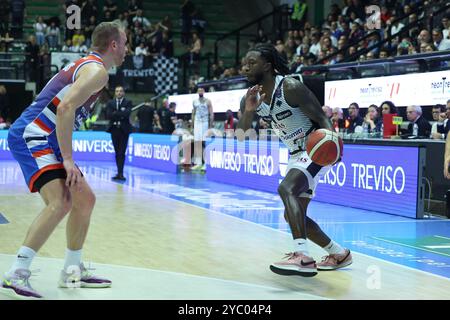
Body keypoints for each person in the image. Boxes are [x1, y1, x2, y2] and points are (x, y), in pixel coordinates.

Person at [2, 21, 127, 299]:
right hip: (33, 133)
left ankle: (72, 271)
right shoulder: (97, 72)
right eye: (125, 42)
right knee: (61, 202)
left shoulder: (89, 66)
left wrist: (65, 155)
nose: (127, 49)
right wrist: (68, 159)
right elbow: (66, 108)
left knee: (85, 199)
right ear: (114, 45)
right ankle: (16, 274)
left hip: (47, 137)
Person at [238, 43, 352, 277]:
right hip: (294, 154)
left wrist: (334, 149)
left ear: (268, 66)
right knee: (292, 214)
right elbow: (241, 137)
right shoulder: (250, 98)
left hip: (316, 149)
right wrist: (249, 111)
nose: (245, 68)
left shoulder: (290, 87)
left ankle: (302, 256)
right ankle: (339, 253)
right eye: (244, 64)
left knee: (286, 188)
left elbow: (322, 118)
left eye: (251, 63)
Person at [106, 85, 133, 181]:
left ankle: (121, 173)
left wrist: (115, 113)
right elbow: (108, 115)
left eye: (121, 91)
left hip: (124, 130)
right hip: (114, 130)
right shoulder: (110, 102)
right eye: (117, 91)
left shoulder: (128, 102)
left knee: (122, 152)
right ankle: (118, 172)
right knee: (117, 152)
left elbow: (127, 114)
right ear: (115, 93)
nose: (119, 93)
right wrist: (120, 113)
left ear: (123, 93)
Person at [192, 87, 213, 171]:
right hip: (197, 123)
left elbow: (211, 113)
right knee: (197, 142)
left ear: (204, 91)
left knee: (204, 142)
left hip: (205, 123)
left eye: (202, 90)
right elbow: (193, 113)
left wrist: (210, 126)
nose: (200, 91)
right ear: (197, 92)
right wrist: (192, 124)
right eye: (199, 90)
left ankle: (206, 163)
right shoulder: (194, 102)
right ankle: (198, 162)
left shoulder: (208, 101)